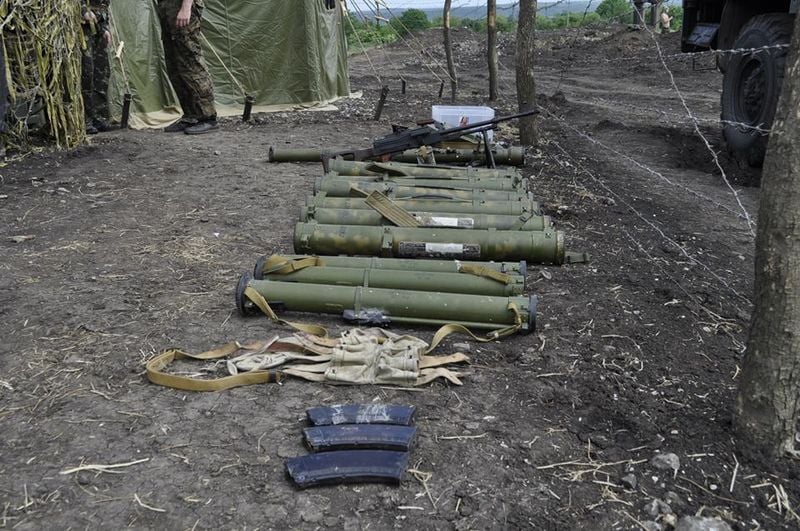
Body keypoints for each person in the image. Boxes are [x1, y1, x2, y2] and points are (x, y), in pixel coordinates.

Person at [157, 0, 218, 135]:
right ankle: (191, 115)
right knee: (176, 65)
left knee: (191, 63)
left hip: (182, 7)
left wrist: (186, 8)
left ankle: (208, 117)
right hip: (168, 10)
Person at [81, 0, 113, 134]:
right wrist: (83, 9)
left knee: (102, 73)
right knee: (86, 73)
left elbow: (104, 5)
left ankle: (99, 118)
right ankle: (86, 120)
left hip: (97, 28)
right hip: (82, 28)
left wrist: (104, 28)